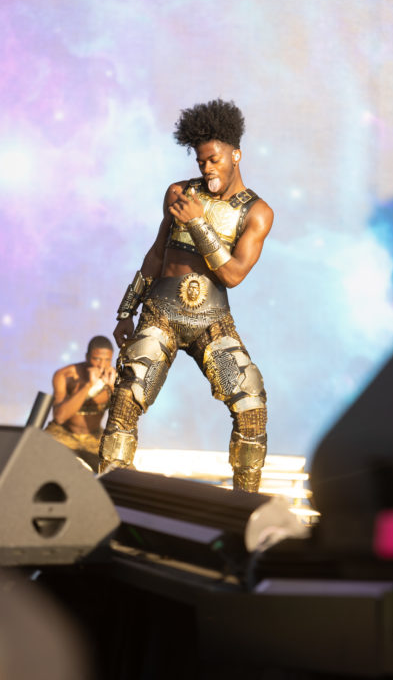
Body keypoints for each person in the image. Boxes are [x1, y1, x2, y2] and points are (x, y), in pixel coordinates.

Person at [100, 99, 274, 492]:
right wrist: (126, 311)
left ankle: (243, 510)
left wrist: (197, 222)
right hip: (160, 313)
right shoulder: (179, 193)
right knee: (126, 399)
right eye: (201, 161)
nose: (207, 168)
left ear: (236, 155)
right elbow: (156, 254)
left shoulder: (257, 212)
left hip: (212, 322)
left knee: (251, 405)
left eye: (214, 159)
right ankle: (109, 501)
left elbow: (232, 275)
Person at [46, 336, 116, 472]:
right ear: (87, 357)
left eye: (107, 360)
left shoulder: (113, 377)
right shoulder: (66, 375)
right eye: (97, 359)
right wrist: (88, 385)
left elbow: (123, 415)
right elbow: (59, 417)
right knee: (36, 458)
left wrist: (112, 388)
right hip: (63, 434)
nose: (102, 365)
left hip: (94, 437)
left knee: (122, 471)